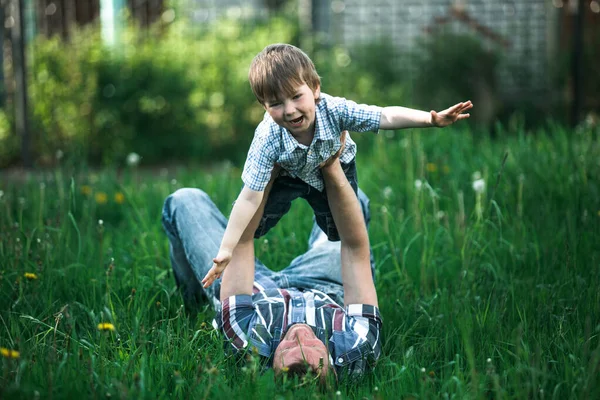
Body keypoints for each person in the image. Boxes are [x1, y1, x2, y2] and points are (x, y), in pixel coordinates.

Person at [201, 43, 472, 288]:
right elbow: (248, 197)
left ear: (315, 88)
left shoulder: (334, 110)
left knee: (340, 232)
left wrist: (430, 119)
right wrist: (227, 247)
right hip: (287, 173)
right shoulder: (268, 136)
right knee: (253, 226)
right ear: (264, 105)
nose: (290, 110)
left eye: (296, 96)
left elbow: (384, 115)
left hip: (335, 165)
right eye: (276, 104)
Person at [161, 135, 380, 381]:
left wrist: (268, 170)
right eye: (312, 346)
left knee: (184, 201)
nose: (299, 334)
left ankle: (194, 301)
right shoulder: (356, 346)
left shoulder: (246, 341)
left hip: (253, 288)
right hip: (324, 285)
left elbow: (243, 242)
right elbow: (353, 247)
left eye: (286, 348)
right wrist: (331, 167)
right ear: (330, 366)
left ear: (271, 365)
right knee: (355, 198)